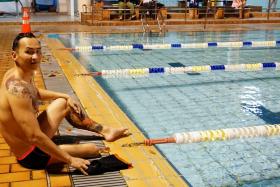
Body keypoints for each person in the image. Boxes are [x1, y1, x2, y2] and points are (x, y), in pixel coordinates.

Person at [0, 32, 129, 174]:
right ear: (14, 55)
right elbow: (34, 136)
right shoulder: (16, 88)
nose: (35, 57)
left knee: (64, 103)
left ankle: (106, 131)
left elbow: (34, 92)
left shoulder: (20, 73)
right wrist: (71, 160)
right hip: (32, 154)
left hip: (31, 137)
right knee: (93, 149)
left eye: (38, 51)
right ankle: (61, 150)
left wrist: (66, 96)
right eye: (29, 52)